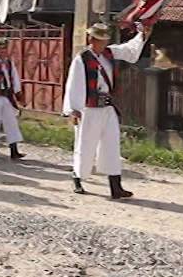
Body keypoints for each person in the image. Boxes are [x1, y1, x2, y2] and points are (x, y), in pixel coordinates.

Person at [62, 22, 149, 198]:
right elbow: (74, 84)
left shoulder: (109, 53)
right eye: (98, 40)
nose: (102, 43)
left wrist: (142, 35)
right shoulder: (82, 59)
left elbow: (129, 51)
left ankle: (115, 186)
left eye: (103, 40)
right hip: (88, 109)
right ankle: (77, 178)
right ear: (91, 39)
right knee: (85, 145)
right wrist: (73, 110)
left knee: (111, 145)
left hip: (107, 107)